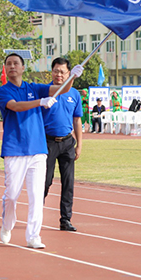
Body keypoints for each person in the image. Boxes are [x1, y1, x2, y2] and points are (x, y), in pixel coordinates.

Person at [0, 53, 82, 249]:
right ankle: (7, 224)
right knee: (12, 195)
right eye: (8, 64)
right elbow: (15, 107)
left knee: (36, 194)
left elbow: (61, 89)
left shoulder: (34, 88)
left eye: (16, 63)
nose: (12, 66)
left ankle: (33, 235)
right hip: (15, 149)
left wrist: (72, 77)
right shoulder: (1, 91)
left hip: (38, 150)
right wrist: (40, 102)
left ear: (23, 68)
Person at [41, 58, 82, 231]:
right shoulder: (45, 91)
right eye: (56, 71)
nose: (59, 74)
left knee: (68, 182)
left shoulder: (74, 94)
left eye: (62, 72)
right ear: (51, 72)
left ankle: (65, 219)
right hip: (48, 142)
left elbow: (77, 120)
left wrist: (79, 144)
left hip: (67, 143)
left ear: (69, 73)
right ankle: (36, 213)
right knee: (45, 180)